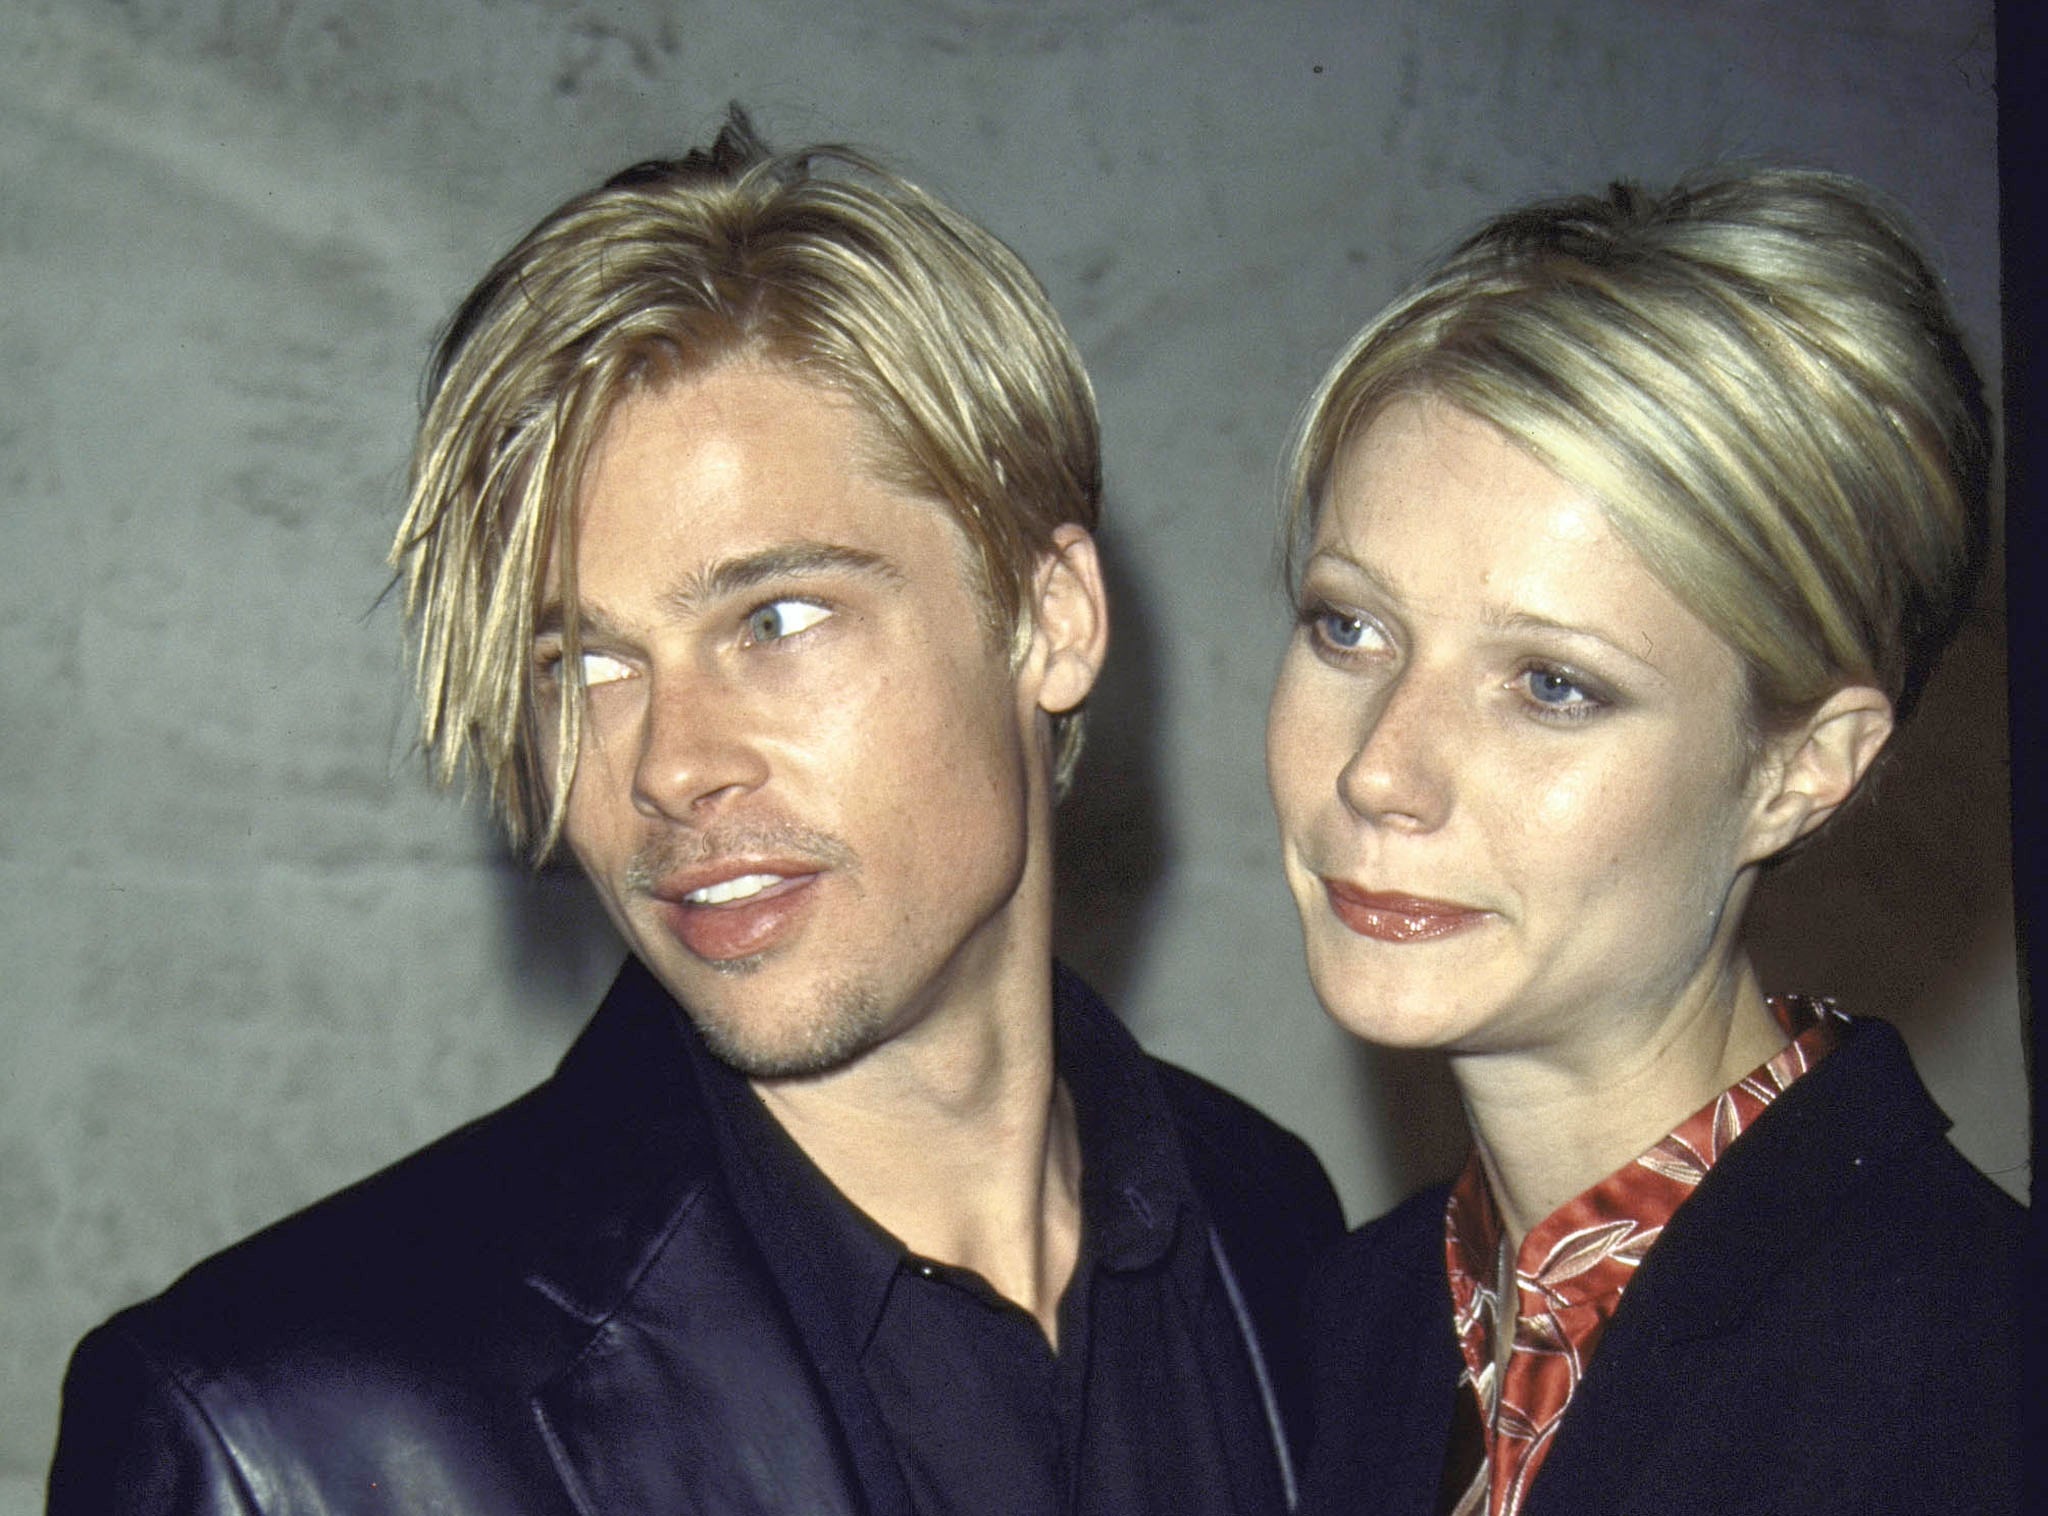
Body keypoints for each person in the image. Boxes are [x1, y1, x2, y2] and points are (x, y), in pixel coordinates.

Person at [49, 108, 1342, 1514]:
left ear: (1051, 616)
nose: (670, 765)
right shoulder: (279, 1439)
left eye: (776, 617)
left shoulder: (1273, 1227)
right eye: (583, 665)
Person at [1263, 167, 2021, 1516]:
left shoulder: (1980, 1382)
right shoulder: (1331, 1327)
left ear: (1801, 769)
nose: (1380, 768)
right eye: (1348, 628)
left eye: (1552, 684)